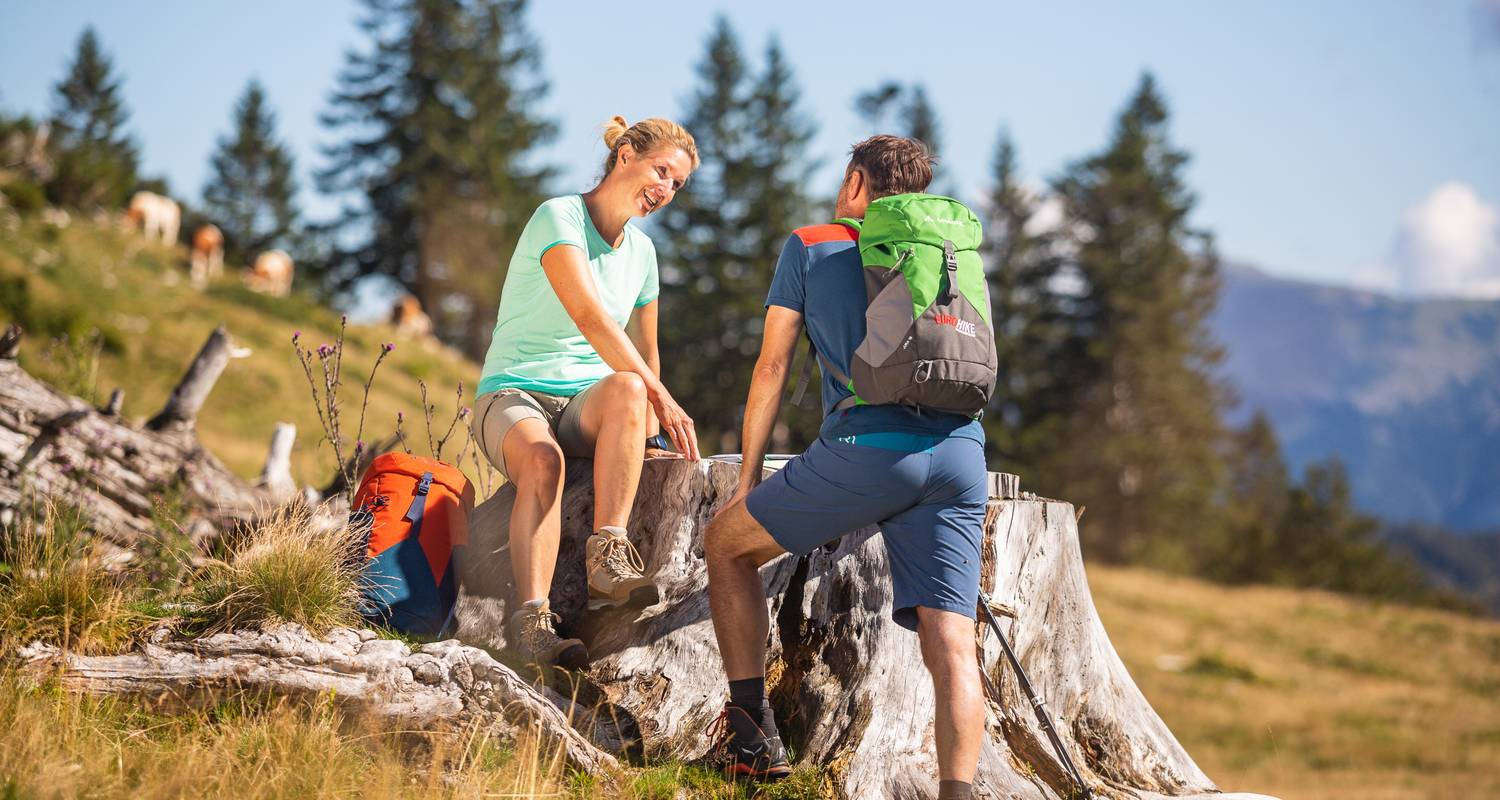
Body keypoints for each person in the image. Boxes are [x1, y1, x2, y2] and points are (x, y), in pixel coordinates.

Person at [703, 135, 989, 799]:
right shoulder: (950, 254)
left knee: (725, 544)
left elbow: (772, 367)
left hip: (868, 452)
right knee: (952, 639)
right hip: (961, 452)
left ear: (857, 182)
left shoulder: (812, 242)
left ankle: (752, 738)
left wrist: (746, 483)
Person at [471, 116, 702, 670]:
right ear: (626, 155)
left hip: (585, 404)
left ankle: (609, 556)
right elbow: (591, 317)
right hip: (513, 394)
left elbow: (647, 358)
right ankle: (531, 624)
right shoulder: (559, 216)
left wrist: (649, 421)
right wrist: (663, 399)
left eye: (678, 184)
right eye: (662, 172)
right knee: (544, 462)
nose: (667, 190)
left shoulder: (643, 254)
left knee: (629, 387)